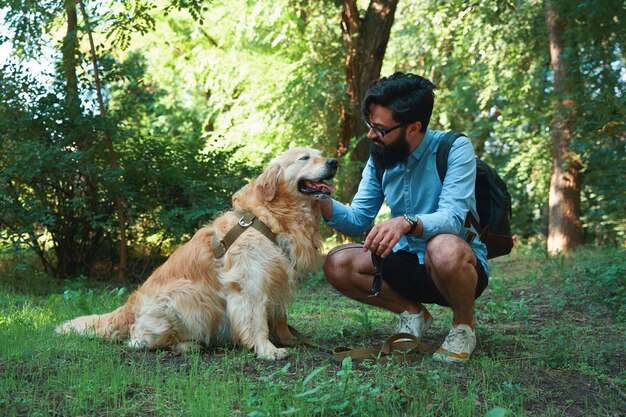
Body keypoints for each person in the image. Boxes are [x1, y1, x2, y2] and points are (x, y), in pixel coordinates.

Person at [320, 72, 489, 363]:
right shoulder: (379, 157)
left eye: (380, 129)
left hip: (455, 266)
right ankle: (412, 315)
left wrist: (406, 221)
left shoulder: (454, 148)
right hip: (406, 261)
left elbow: (452, 217)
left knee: (443, 247)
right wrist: (319, 197)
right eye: (370, 125)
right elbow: (359, 218)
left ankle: (463, 327)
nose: (371, 135)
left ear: (413, 128)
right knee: (338, 263)